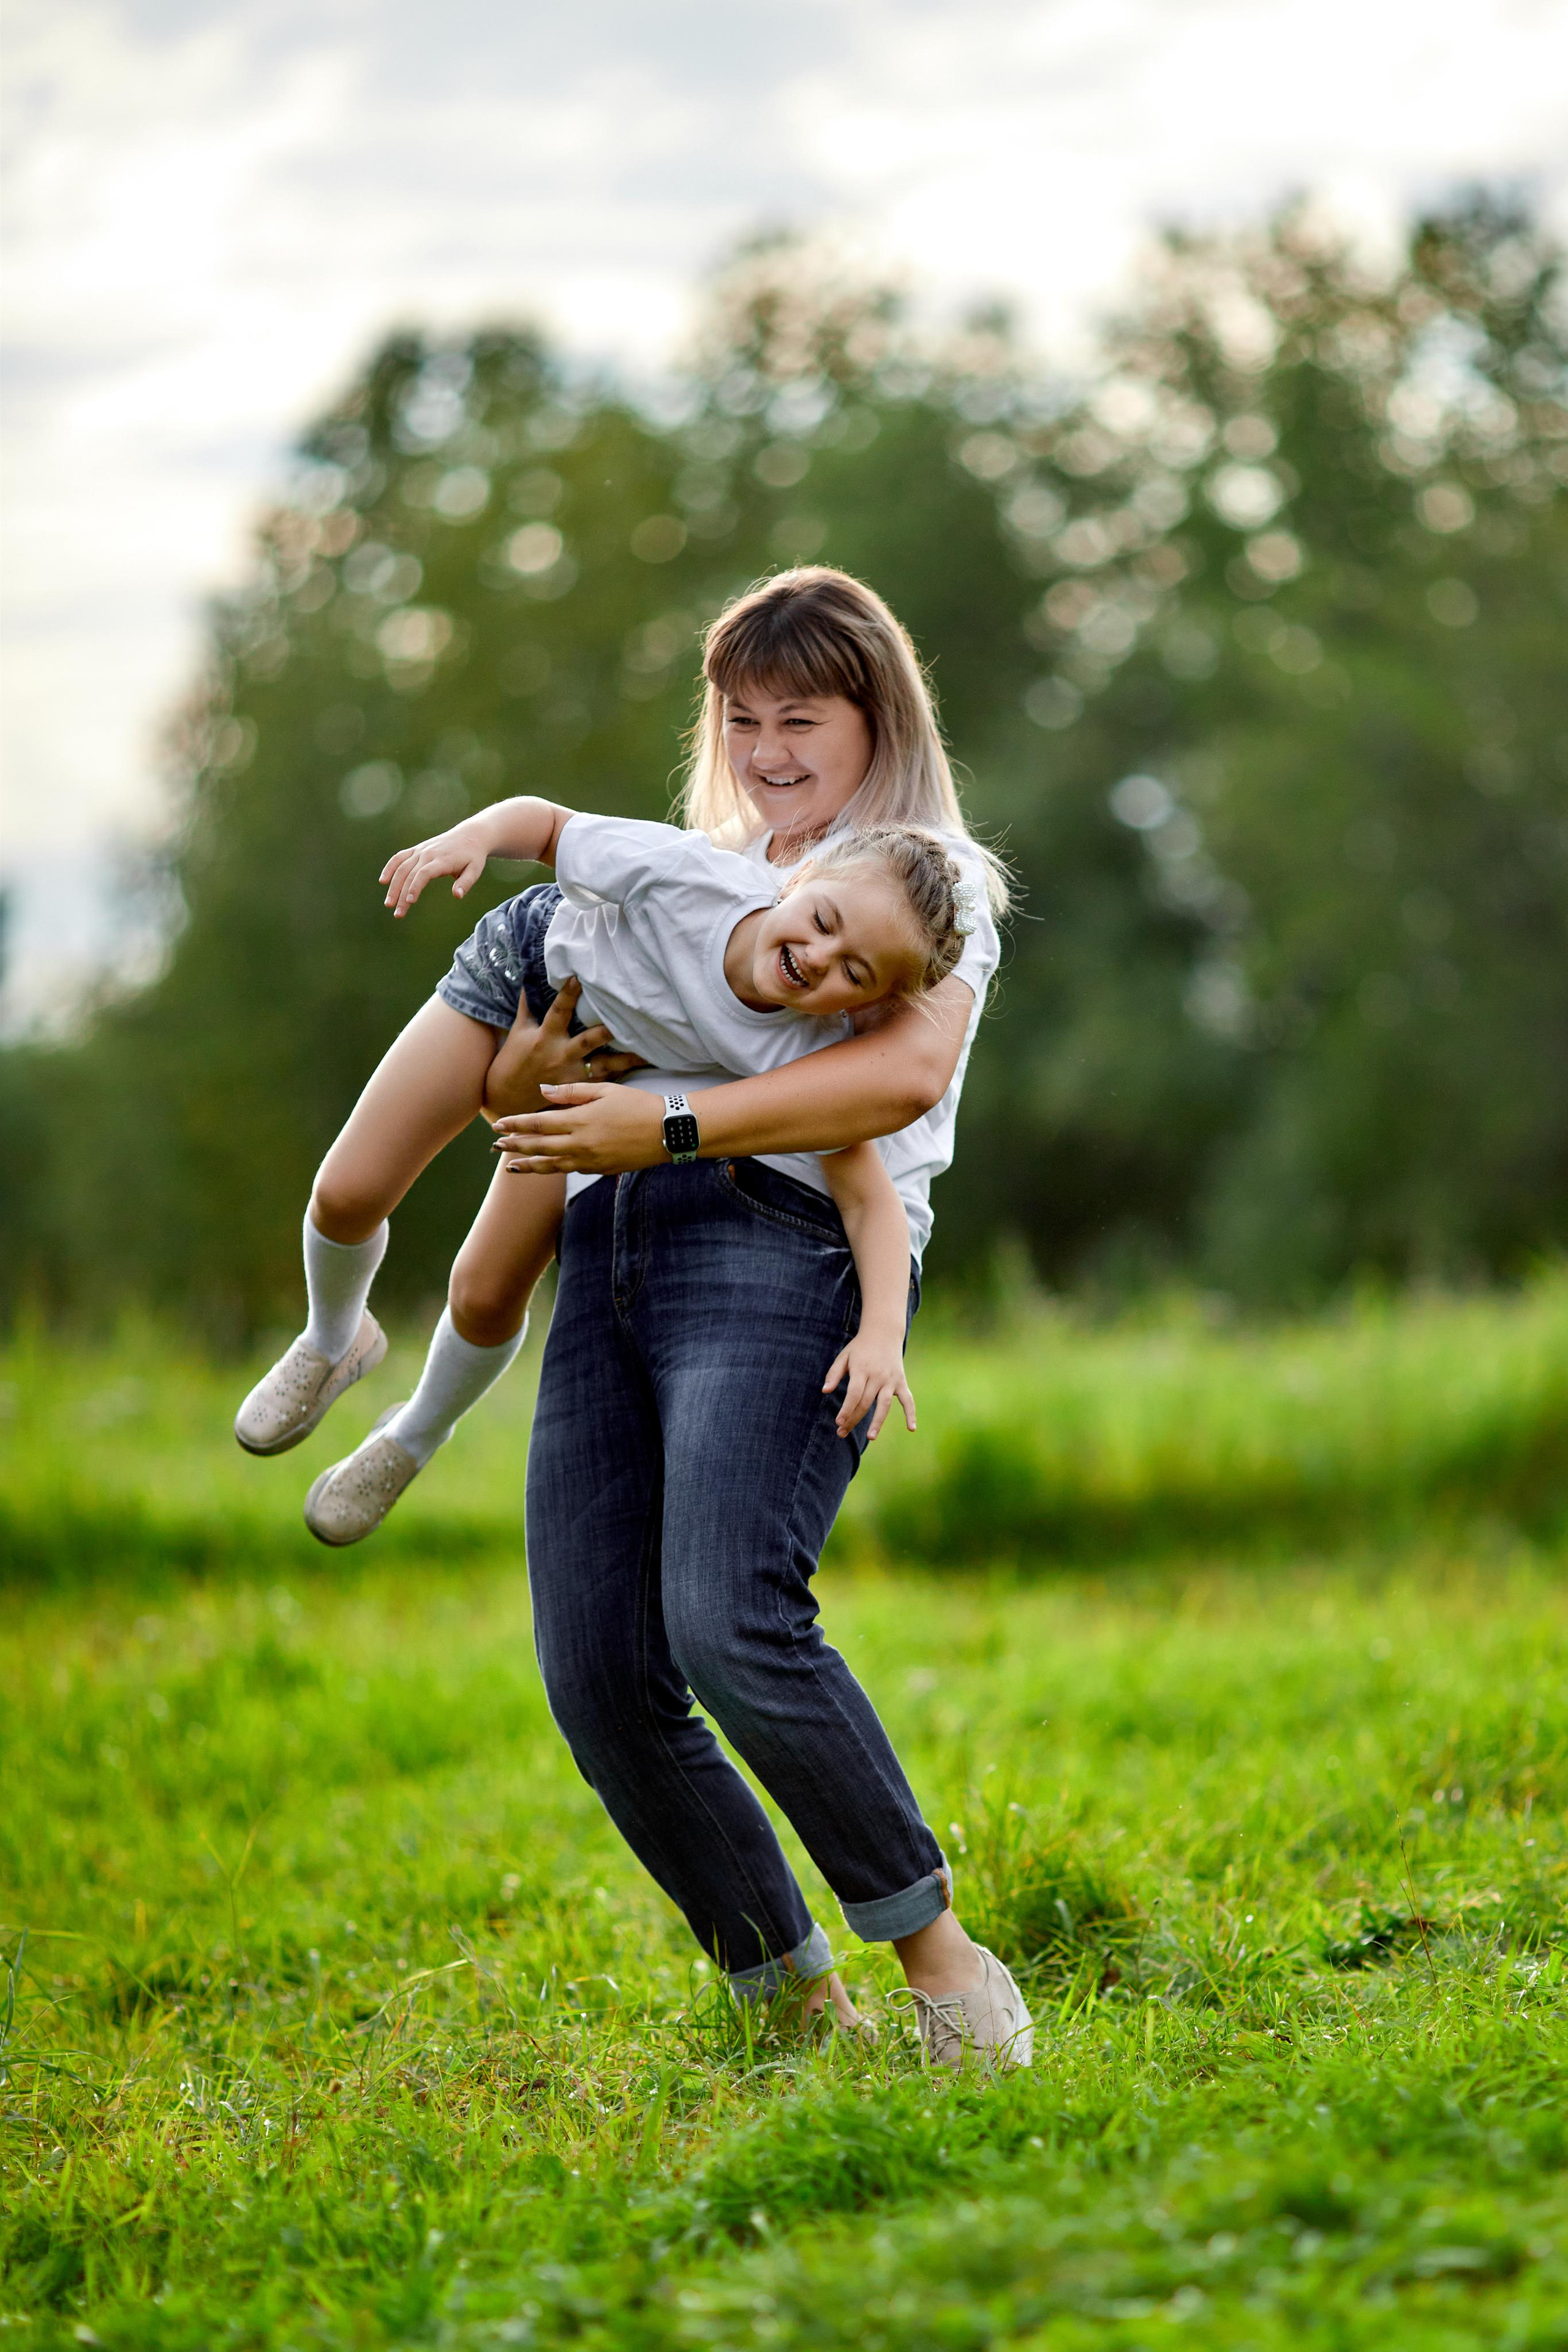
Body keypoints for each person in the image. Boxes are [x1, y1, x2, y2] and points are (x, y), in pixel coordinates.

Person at [489, 569, 1030, 2068]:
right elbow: (546, 1055)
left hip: (786, 1238)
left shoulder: (928, 884)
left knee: (725, 1612)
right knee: (597, 1671)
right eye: (741, 719)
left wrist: (668, 1120)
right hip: (614, 1233)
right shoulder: (704, 875)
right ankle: (789, 2007)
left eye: (803, 716)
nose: (769, 747)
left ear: (877, 717)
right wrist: (537, 1076)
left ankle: (942, 1967)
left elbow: (892, 1084)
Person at [235, 808, 967, 1538]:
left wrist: (878, 1334)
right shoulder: (688, 878)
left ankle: (415, 1432)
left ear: (866, 1007)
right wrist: (473, 840)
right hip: (525, 974)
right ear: (798, 878)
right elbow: (549, 827)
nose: (819, 955)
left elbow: (871, 1200)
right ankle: (333, 1339)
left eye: (853, 971)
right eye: (824, 919)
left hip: (609, 1071)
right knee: (347, 1193)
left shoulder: (803, 1050)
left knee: (485, 1291)